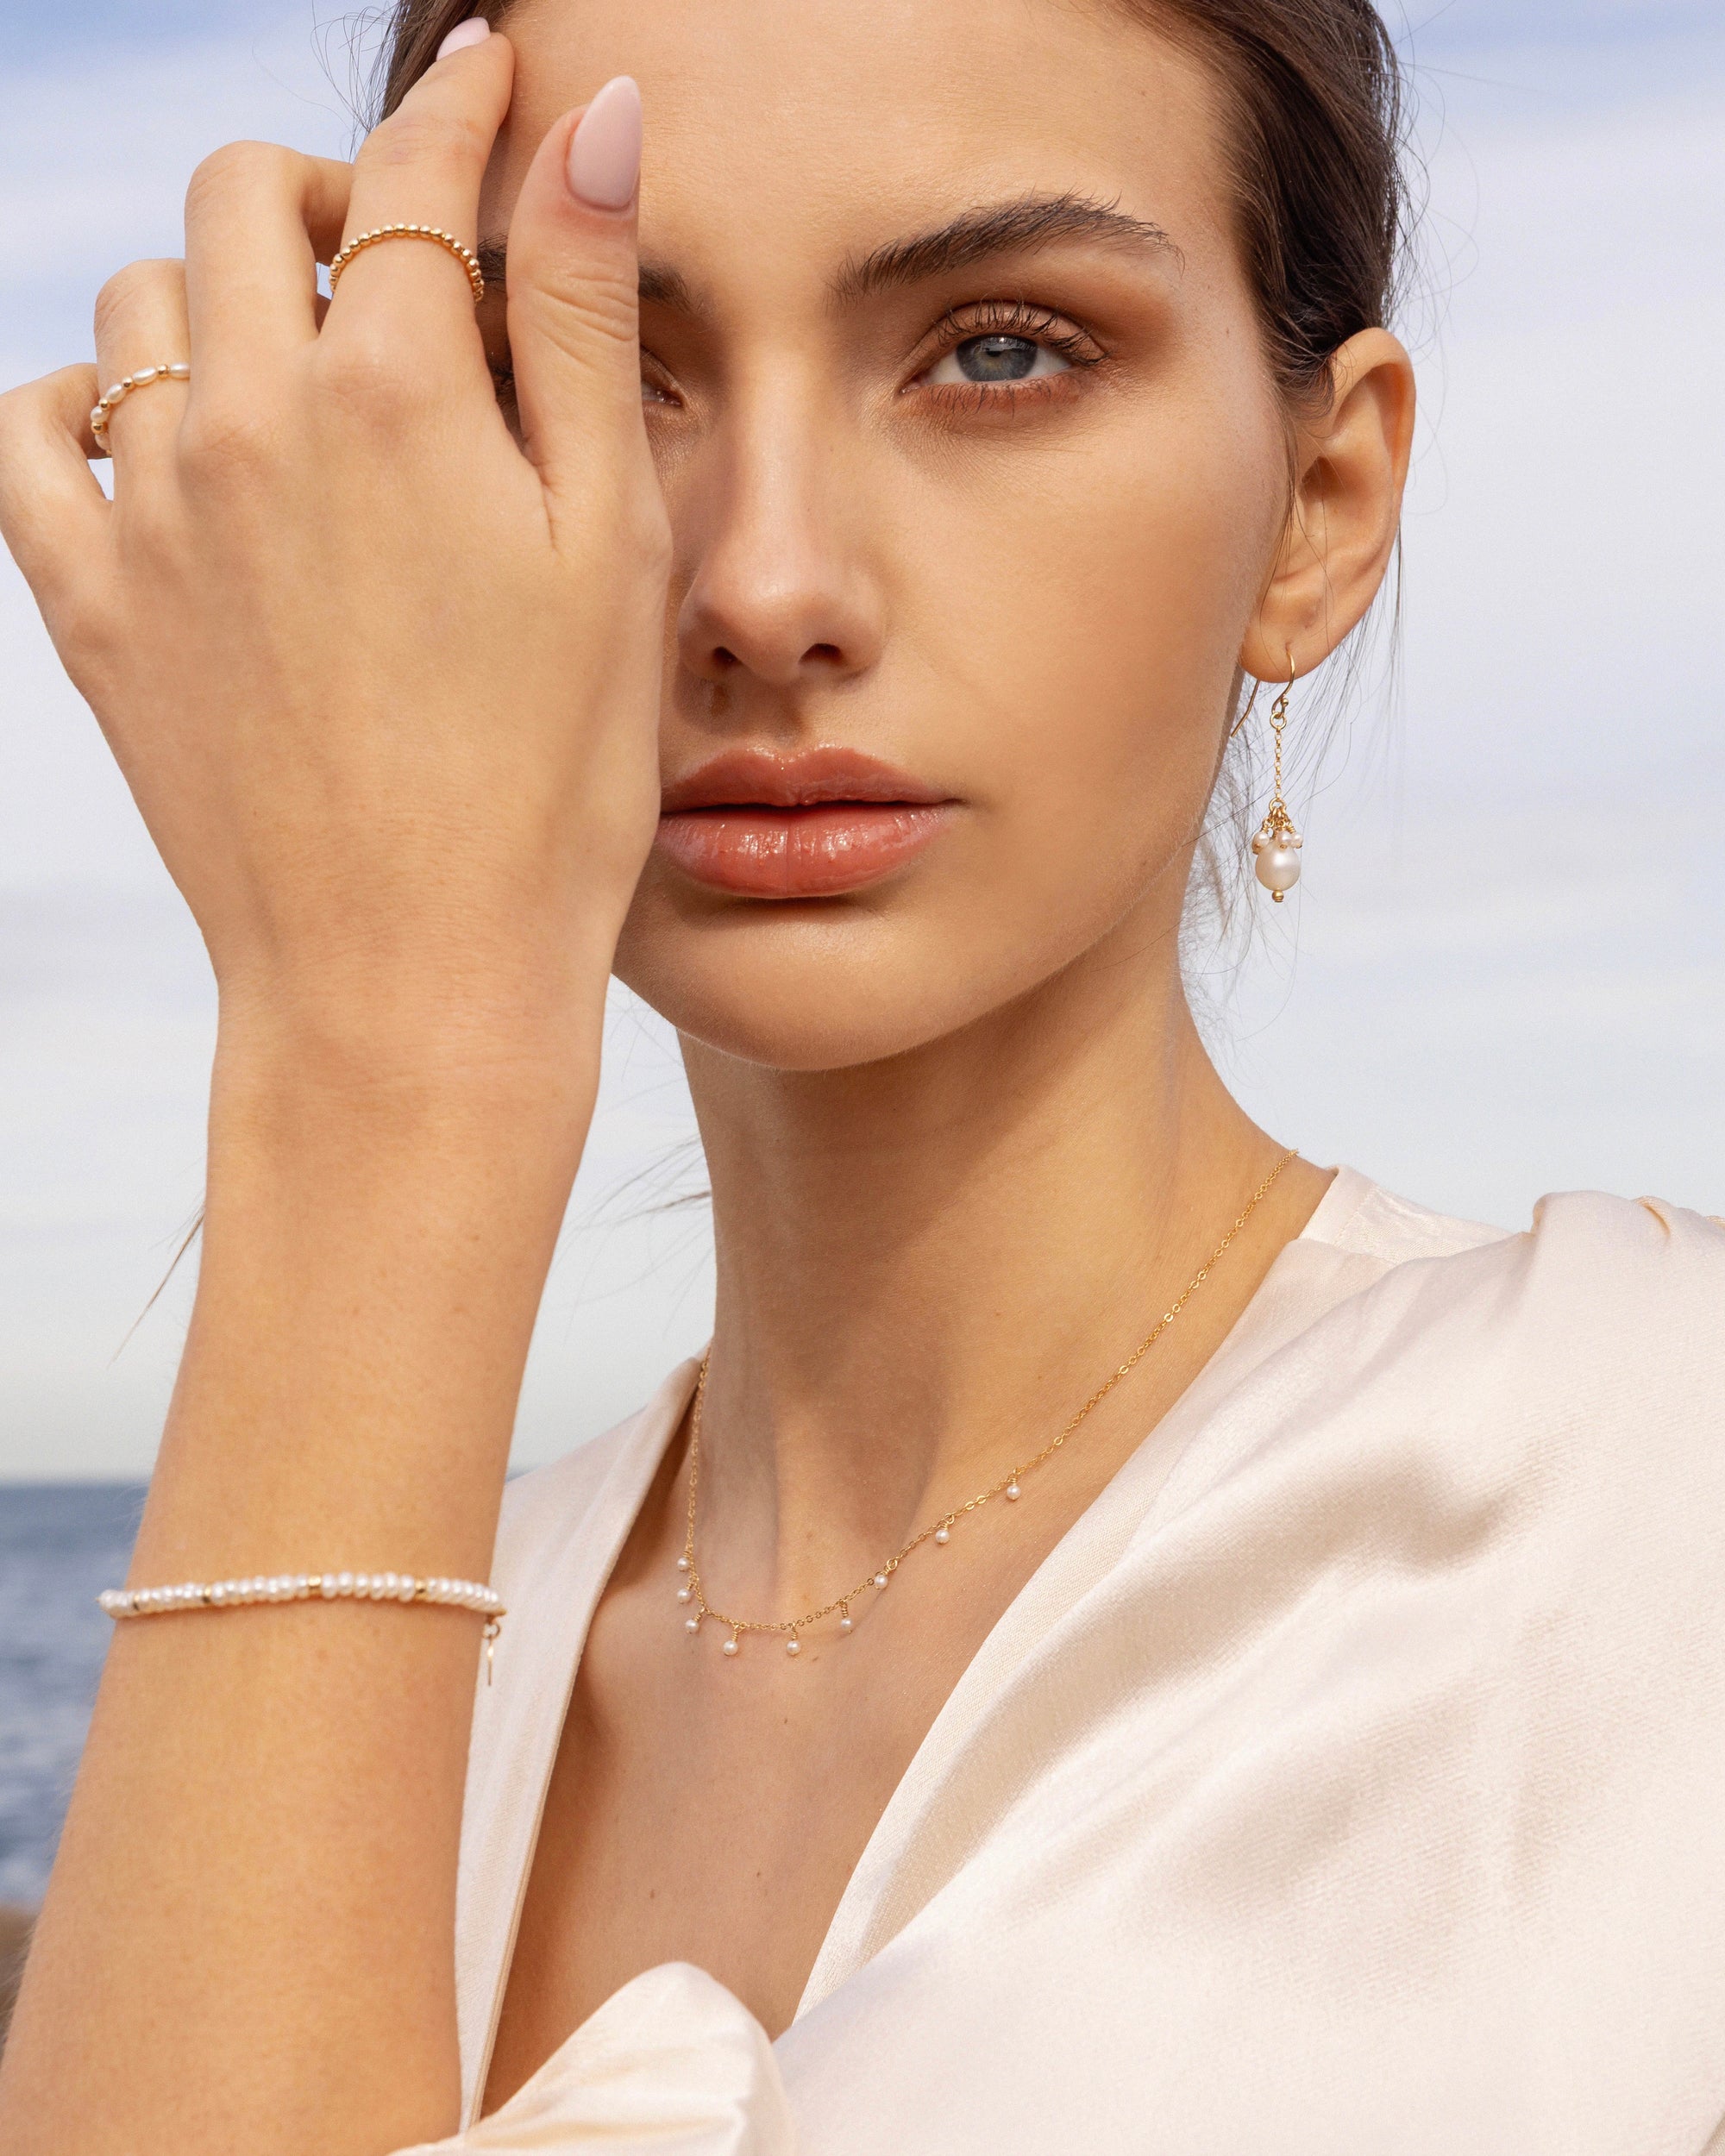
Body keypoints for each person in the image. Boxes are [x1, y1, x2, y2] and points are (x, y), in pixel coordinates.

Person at [0, 0, 1721, 2147]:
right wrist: (375, 1045)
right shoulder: (359, 1632)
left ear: (1320, 503)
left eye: (1000, 349)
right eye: (596, 363)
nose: (765, 586)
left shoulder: (1659, 1490)